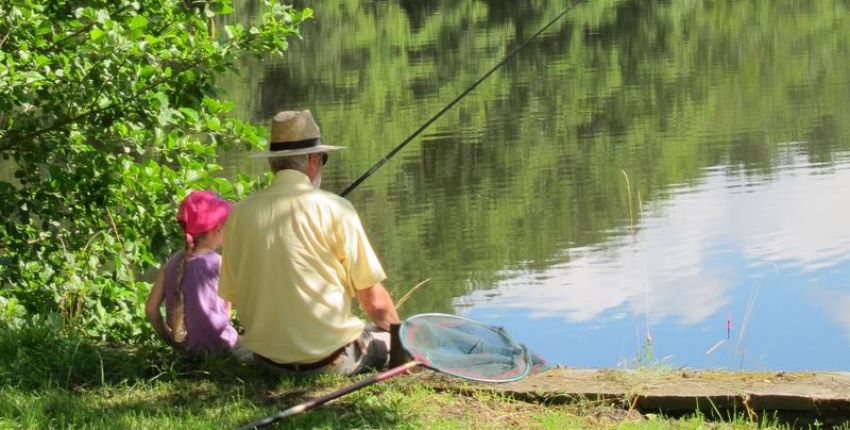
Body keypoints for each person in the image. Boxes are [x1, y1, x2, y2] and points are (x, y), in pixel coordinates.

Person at [219, 110, 401, 375]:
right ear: (314, 160)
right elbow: (376, 303)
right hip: (329, 362)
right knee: (387, 335)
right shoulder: (338, 209)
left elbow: (230, 294)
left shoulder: (239, 214)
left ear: (274, 164)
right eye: (323, 159)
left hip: (267, 363)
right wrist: (400, 344)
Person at [146, 190, 238, 354]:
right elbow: (227, 312)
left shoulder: (172, 263)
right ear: (218, 229)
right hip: (222, 348)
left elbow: (151, 309)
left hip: (185, 349)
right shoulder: (219, 264)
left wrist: (170, 339)